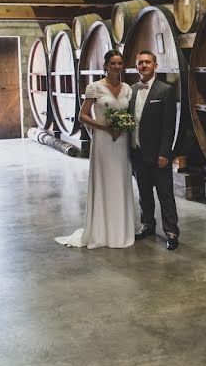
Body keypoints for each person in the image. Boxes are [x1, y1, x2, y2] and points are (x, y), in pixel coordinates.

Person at [55, 50, 135, 249]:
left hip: (121, 141)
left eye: (119, 63)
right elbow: (83, 116)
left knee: (121, 182)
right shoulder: (95, 87)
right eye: (113, 63)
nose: (116, 67)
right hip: (103, 141)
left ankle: (121, 229)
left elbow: (130, 114)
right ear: (106, 65)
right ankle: (101, 231)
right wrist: (105, 127)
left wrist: (124, 126)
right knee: (105, 181)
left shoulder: (127, 88)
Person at [129, 50, 180, 250]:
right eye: (140, 62)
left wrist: (165, 153)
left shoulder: (165, 90)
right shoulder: (130, 90)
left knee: (165, 194)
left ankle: (171, 231)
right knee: (143, 192)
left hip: (158, 154)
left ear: (155, 66)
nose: (144, 65)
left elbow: (169, 126)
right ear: (136, 66)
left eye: (147, 62)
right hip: (137, 151)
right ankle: (148, 224)